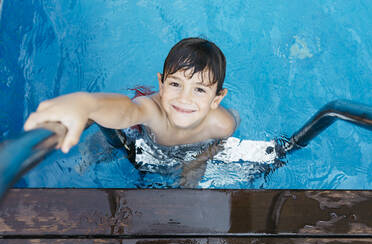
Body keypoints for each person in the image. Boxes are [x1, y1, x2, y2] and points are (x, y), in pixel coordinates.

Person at [24, 37, 237, 155]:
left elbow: (213, 147)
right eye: (175, 84)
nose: (184, 98)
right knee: (105, 138)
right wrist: (86, 103)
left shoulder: (222, 125)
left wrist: (195, 165)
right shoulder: (154, 111)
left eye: (199, 89)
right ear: (161, 85)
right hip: (139, 131)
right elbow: (127, 111)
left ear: (217, 99)